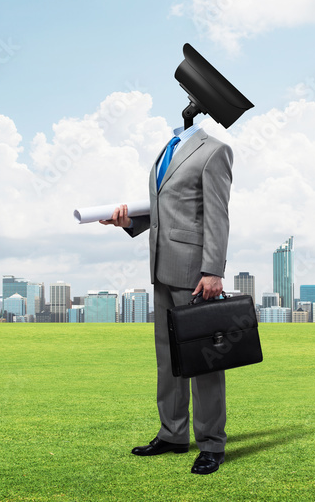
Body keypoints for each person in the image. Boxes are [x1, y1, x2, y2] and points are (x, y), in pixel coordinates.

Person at [101, 118, 232, 475]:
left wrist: (214, 270)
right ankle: (173, 433)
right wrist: (129, 222)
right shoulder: (167, 150)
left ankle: (211, 445)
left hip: (195, 272)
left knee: (203, 362)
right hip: (162, 266)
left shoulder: (215, 151)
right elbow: (165, 208)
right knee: (168, 359)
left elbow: (217, 215)